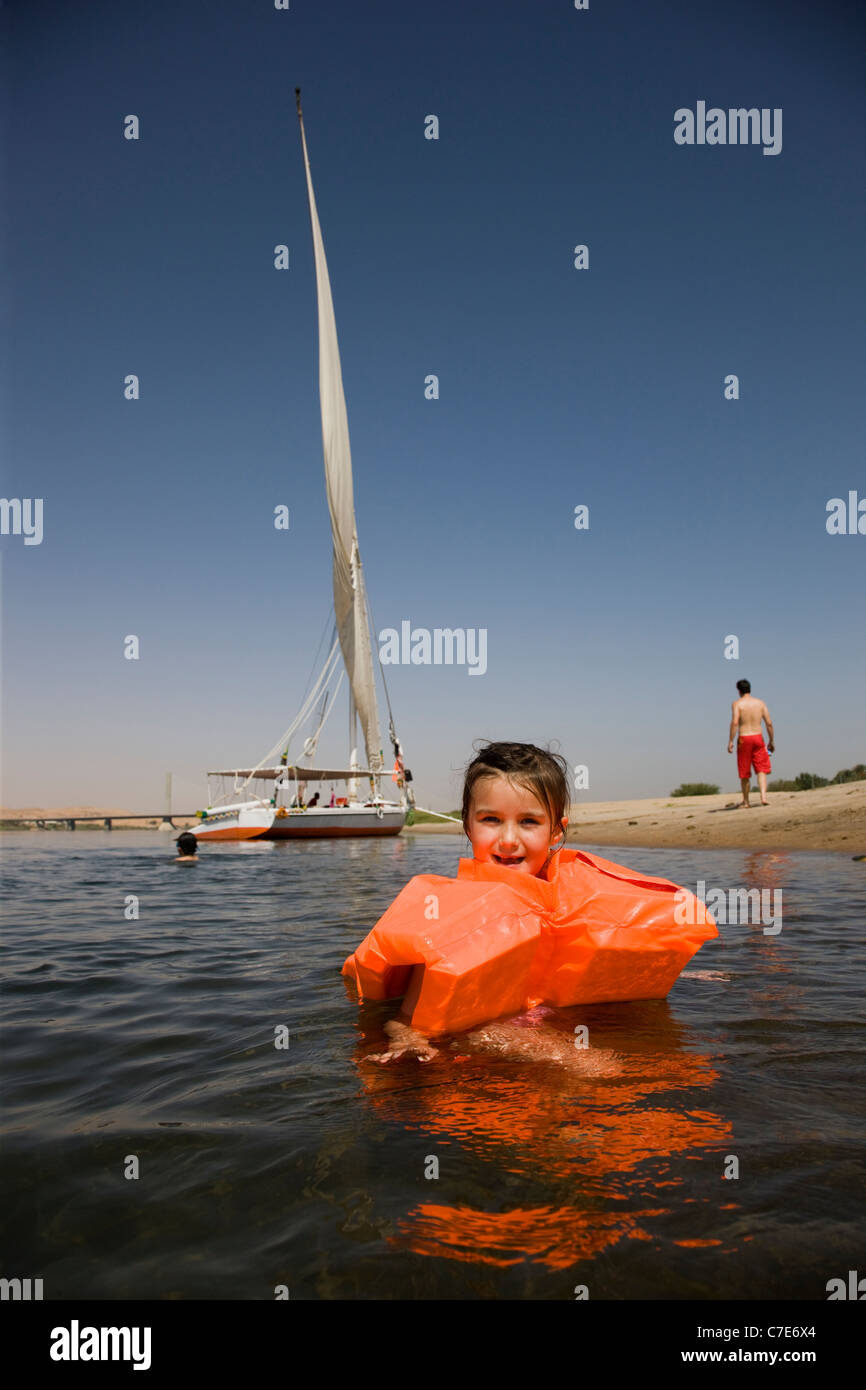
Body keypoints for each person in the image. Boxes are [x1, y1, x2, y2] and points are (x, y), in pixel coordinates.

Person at [361, 741, 711, 1065]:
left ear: (556, 830)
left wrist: (679, 971)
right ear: (467, 824)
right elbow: (405, 1020)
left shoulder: (569, 899)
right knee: (593, 1067)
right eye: (490, 820)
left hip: (552, 1020)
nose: (508, 839)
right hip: (484, 1046)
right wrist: (408, 1041)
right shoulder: (451, 920)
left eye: (528, 822)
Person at [727, 679, 775, 807]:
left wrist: (730, 740)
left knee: (744, 771)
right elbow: (769, 723)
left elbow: (735, 722)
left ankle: (746, 801)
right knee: (761, 769)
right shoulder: (760, 703)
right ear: (750, 689)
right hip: (758, 737)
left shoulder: (737, 704)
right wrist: (771, 741)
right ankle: (763, 797)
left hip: (744, 738)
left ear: (739, 690)